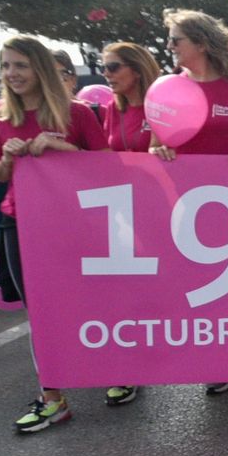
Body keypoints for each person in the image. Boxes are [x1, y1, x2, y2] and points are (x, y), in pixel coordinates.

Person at [150, 10, 228, 396]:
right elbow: (152, 148)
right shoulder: (166, 90)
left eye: (176, 40)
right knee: (198, 285)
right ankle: (218, 361)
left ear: (201, 44)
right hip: (185, 207)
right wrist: (159, 150)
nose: (170, 47)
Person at [0, 36, 108, 432]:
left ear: (40, 68)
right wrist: (6, 158)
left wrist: (63, 150)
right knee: (39, 312)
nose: (11, 74)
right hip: (19, 222)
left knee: (92, 302)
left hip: (76, 224)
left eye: (20, 65)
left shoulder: (78, 114)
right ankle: (52, 399)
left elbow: (110, 168)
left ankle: (118, 371)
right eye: (5, 66)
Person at [94, 42, 163, 407]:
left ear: (136, 68)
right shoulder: (110, 108)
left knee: (173, 288)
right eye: (103, 67)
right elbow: (107, 156)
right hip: (125, 213)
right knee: (126, 293)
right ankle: (127, 370)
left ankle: (212, 361)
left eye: (113, 66)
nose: (106, 73)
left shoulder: (164, 101)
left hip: (168, 210)